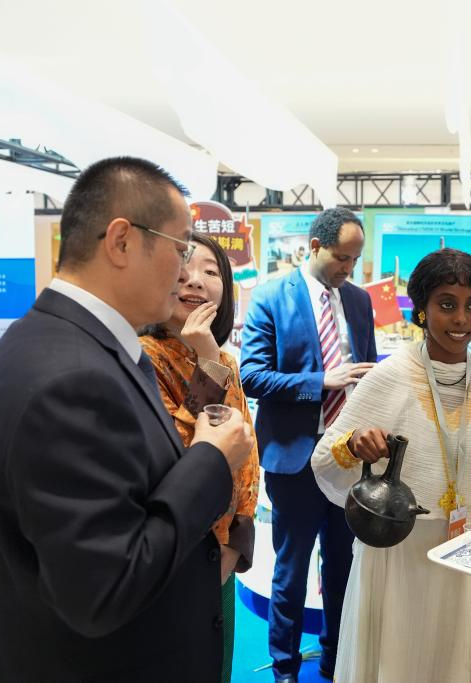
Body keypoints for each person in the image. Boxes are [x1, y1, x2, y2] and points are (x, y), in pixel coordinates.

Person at [0, 157, 255, 683]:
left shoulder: (59, 344)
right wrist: (211, 459)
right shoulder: (76, 377)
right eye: (179, 248)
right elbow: (107, 585)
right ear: (121, 242)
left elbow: (40, 517)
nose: (186, 273)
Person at [311, 248, 471, 683]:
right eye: (447, 304)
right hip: (403, 552)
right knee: (402, 661)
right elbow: (325, 457)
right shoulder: (390, 376)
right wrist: (356, 444)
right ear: (421, 309)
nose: (461, 319)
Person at [240, 207, 377, 682]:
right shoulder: (271, 297)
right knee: (291, 570)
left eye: (355, 259)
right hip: (294, 458)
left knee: (342, 567)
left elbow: (367, 368)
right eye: (342, 258)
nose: (348, 268)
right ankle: (285, 667)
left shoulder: (358, 300)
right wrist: (321, 381)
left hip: (348, 458)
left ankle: (337, 659)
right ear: (315, 246)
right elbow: (252, 376)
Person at [139, 231, 260, 683]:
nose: (195, 280)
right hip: (174, 551)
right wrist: (208, 360)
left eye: (210, 271)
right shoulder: (143, 357)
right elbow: (182, 451)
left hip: (222, 552)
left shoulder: (224, 359)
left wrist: (236, 542)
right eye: (183, 267)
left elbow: (247, 453)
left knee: (216, 665)